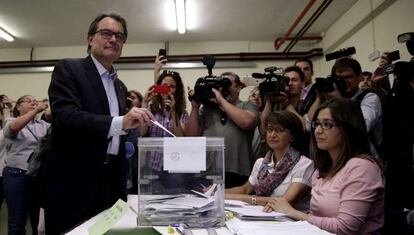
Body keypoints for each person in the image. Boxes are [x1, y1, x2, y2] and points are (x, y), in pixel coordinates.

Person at [43, 13, 154, 234]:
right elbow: (66, 117)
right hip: (74, 181)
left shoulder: (120, 86)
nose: (113, 39)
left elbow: (116, 132)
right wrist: (121, 121)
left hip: (111, 182)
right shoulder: (68, 69)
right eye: (107, 33)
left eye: (120, 36)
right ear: (90, 38)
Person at [264, 98, 385, 235]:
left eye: (327, 125)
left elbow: (345, 228)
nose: (318, 131)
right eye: (317, 124)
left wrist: (292, 212)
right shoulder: (321, 170)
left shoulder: (362, 167)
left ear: (348, 128)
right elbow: (318, 217)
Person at [225, 111, 313, 212]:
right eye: (270, 129)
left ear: (292, 135)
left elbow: (284, 201)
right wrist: (217, 192)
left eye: (280, 130)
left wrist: (245, 198)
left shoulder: (304, 164)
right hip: (264, 215)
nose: (273, 135)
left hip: (293, 222)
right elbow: (245, 190)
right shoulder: (261, 163)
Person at [186, 72, 259, 188]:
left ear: (239, 87)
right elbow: (191, 137)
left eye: (227, 84)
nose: (222, 88)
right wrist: (195, 107)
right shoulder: (207, 109)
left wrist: (220, 100)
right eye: (220, 84)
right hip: (207, 171)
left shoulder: (247, 106)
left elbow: (247, 122)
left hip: (237, 172)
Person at [3, 95, 50, 235]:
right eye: (29, 101)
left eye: (35, 101)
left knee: (37, 220)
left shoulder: (43, 125)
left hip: (37, 176)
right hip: (16, 174)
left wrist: (52, 106)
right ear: (18, 106)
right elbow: (13, 128)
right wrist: (36, 110)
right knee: (17, 220)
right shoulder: (10, 120)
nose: (33, 103)